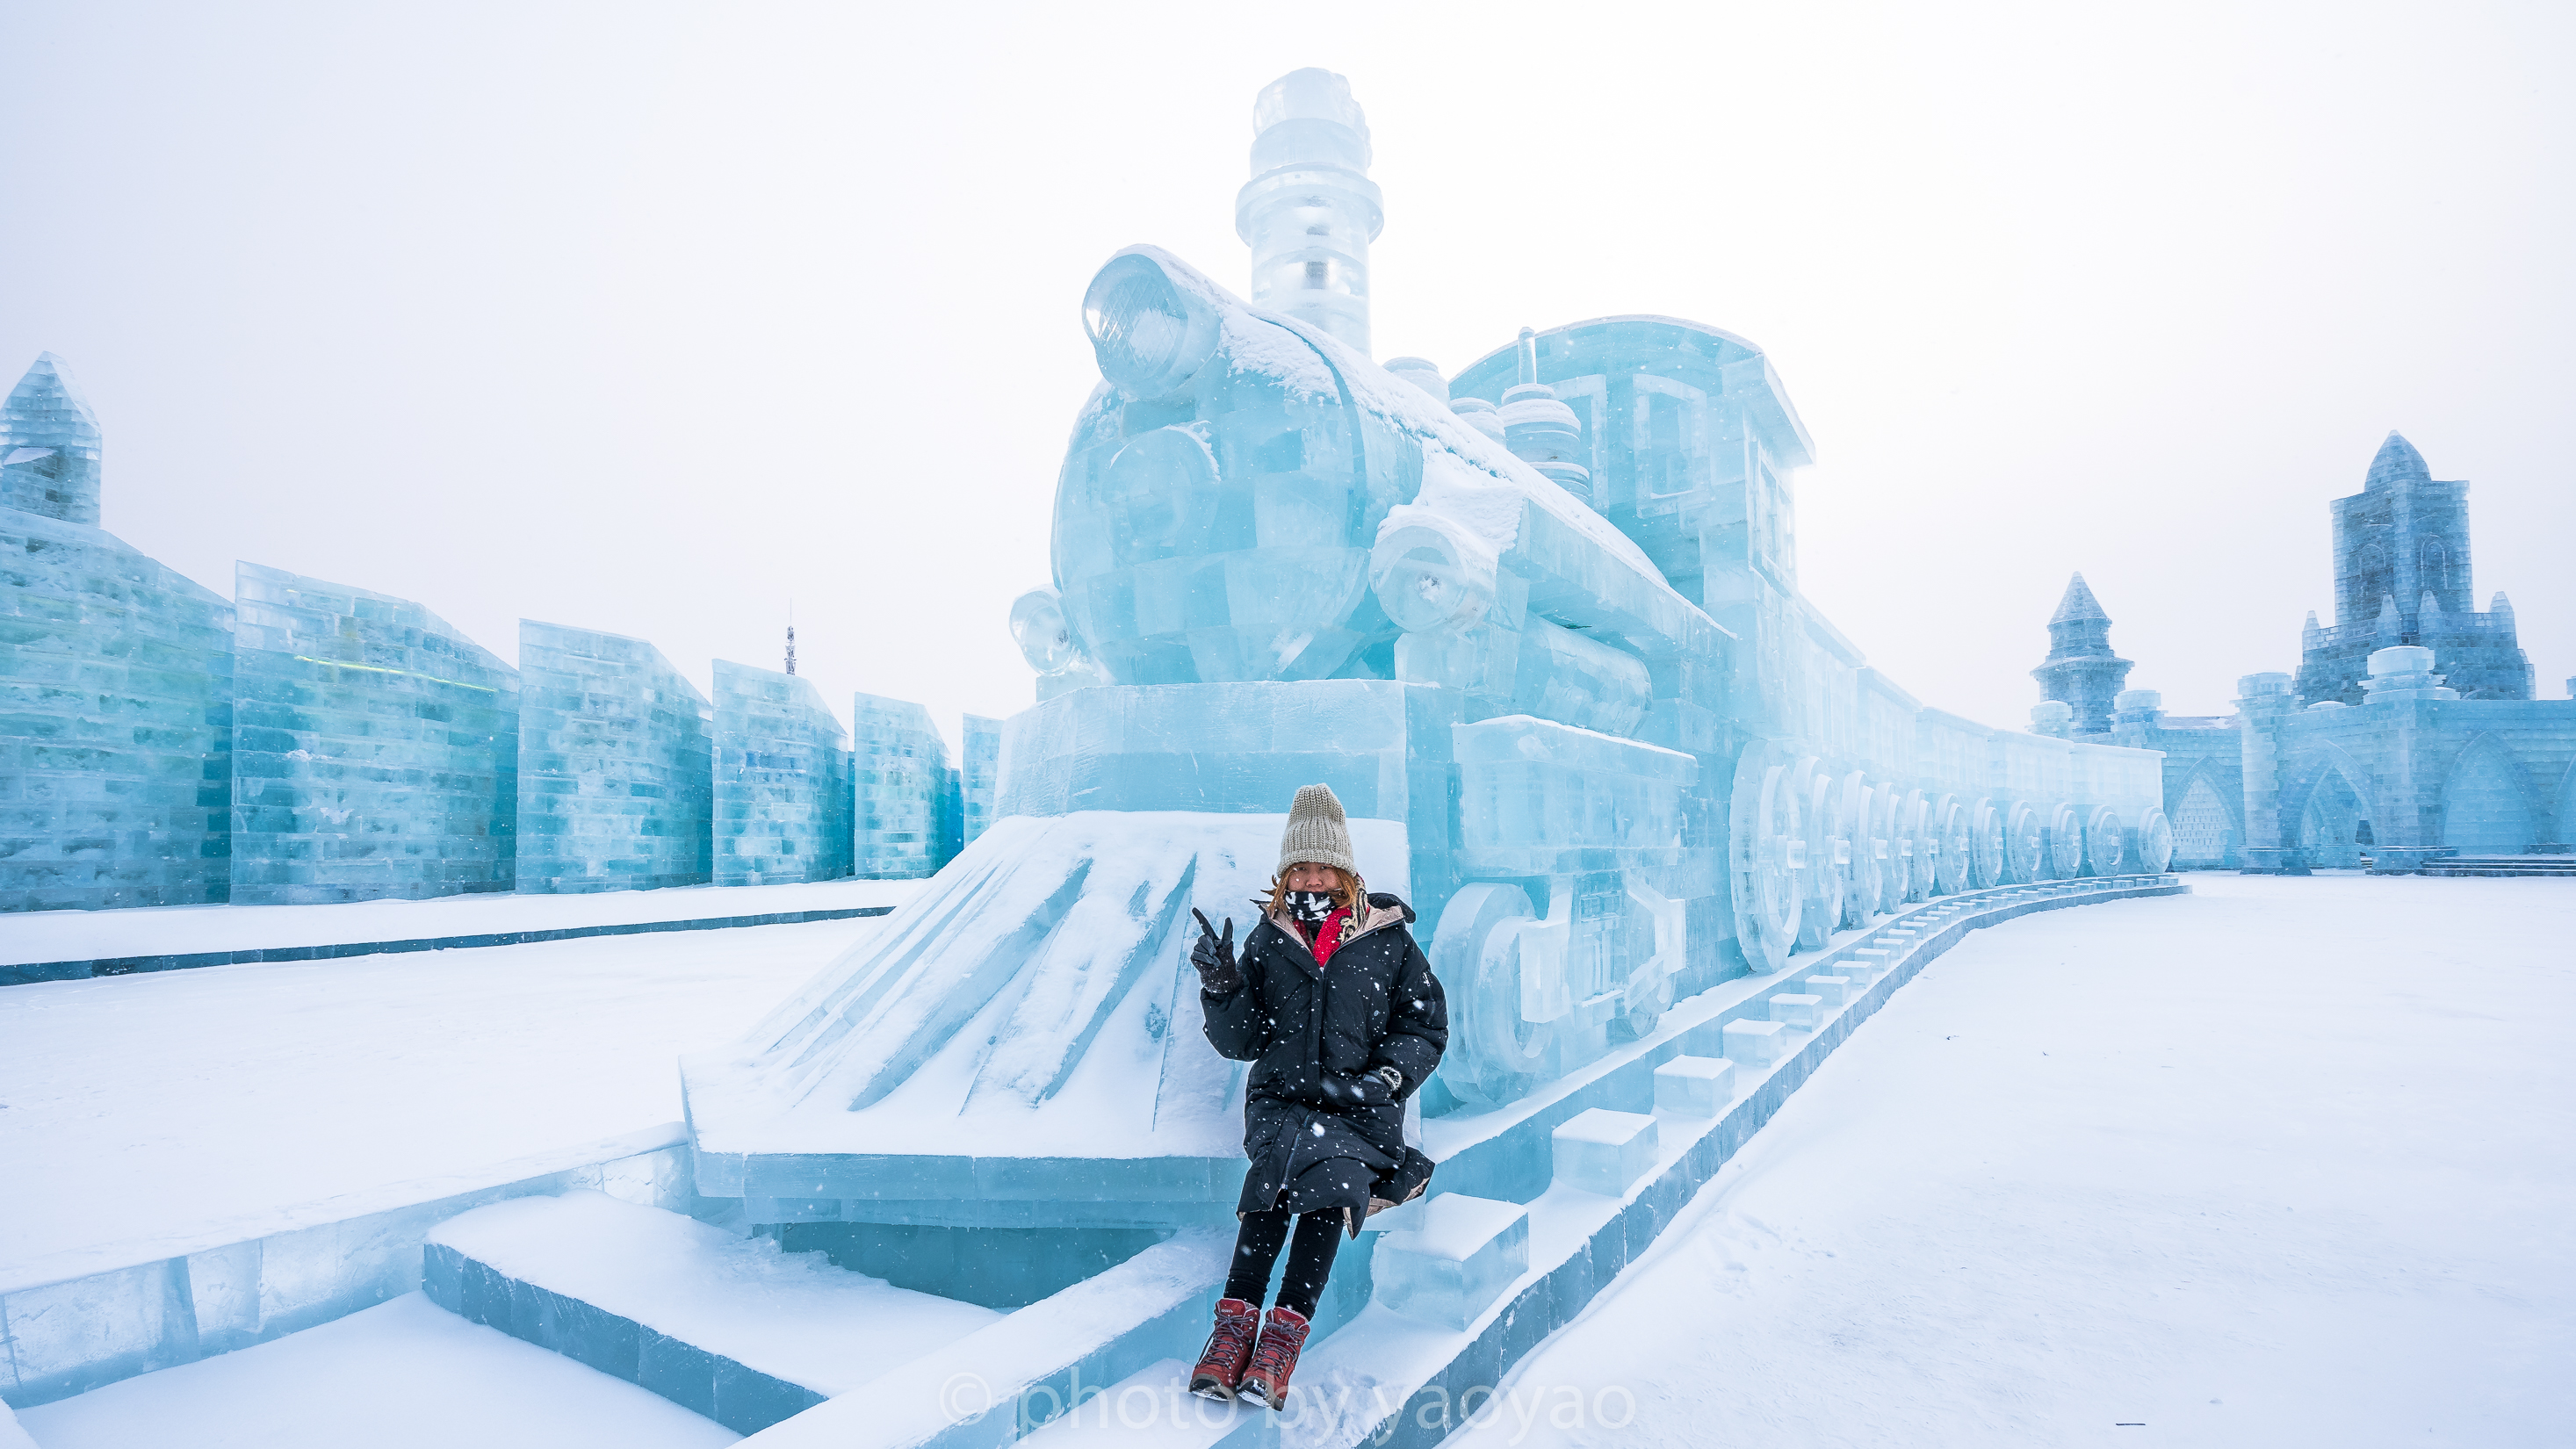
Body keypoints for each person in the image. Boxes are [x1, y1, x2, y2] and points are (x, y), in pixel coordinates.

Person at [1183, 783, 1447, 1410]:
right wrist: (1222, 987)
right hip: (1281, 1102)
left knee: (1331, 1190)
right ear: (1283, 873)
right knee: (1270, 1188)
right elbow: (1241, 1041)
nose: (1312, 876)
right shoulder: (1268, 939)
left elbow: (1424, 1024)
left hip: (1358, 1108)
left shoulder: (1387, 940)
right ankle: (1230, 1334)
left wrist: (1386, 1079)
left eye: (1323, 864)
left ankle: (1277, 1347)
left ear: (1346, 871)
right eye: (1300, 865)